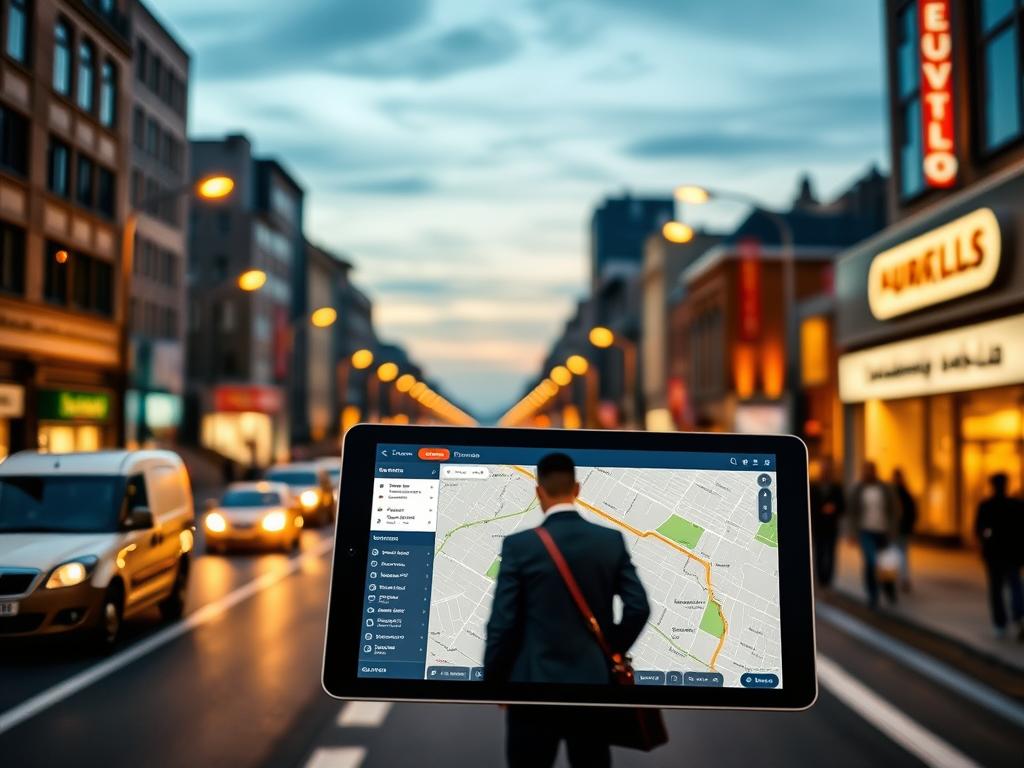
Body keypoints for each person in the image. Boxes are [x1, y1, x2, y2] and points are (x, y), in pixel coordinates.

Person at [484, 452, 651, 768]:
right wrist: (609, 650)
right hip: (592, 686)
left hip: (531, 688)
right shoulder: (610, 541)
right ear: (576, 489)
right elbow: (638, 607)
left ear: (538, 492)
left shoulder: (520, 546)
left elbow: (502, 623)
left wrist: (496, 683)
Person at [975, 473, 1024, 640]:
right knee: (1015, 585)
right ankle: (1018, 617)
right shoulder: (1016, 505)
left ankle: (1000, 624)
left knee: (996, 589)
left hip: (995, 554)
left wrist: (987, 539)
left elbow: (979, 530)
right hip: (1012, 554)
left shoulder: (986, 506)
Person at [848, 461, 901, 608]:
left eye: (869, 470)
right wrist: (852, 533)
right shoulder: (858, 490)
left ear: (874, 471)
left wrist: (893, 530)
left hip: (883, 532)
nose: (866, 473)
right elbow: (852, 513)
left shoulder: (886, 488)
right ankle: (873, 595)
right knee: (871, 563)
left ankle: (889, 589)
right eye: (864, 471)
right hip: (865, 531)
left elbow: (894, 510)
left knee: (885, 564)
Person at [810, 456, 845, 589]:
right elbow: (810, 505)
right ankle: (821, 579)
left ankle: (828, 580)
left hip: (831, 526)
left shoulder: (836, 487)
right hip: (818, 526)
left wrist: (834, 508)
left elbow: (843, 506)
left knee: (830, 553)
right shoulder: (814, 486)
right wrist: (820, 509)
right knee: (819, 553)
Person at [891, 468, 917, 593]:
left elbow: (912, 512)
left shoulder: (901, 494)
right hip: (897, 529)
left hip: (901, 529)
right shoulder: (900, 493)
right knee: (900, 554)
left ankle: (901, 579)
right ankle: (900, 578)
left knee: (899, 554)